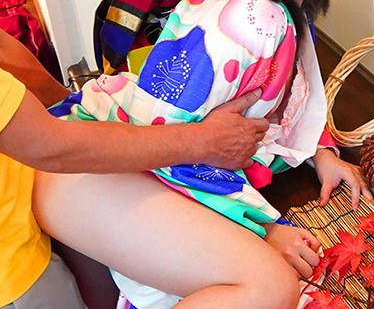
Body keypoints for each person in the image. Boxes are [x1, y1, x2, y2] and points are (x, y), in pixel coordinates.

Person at [33, 0, 373, 308]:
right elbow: (171, 143)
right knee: (272, 287)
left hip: (151, 148)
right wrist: (261, 228)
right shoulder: (249, 24)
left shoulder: (269, 6)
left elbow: (290, 92)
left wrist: (320, 150)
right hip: (132, 163)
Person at [0, 28, 274, 308]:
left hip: (29, 202)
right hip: (15, 270)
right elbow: (52, 146)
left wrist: (73, 108)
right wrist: (207, 142)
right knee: (266, 285)